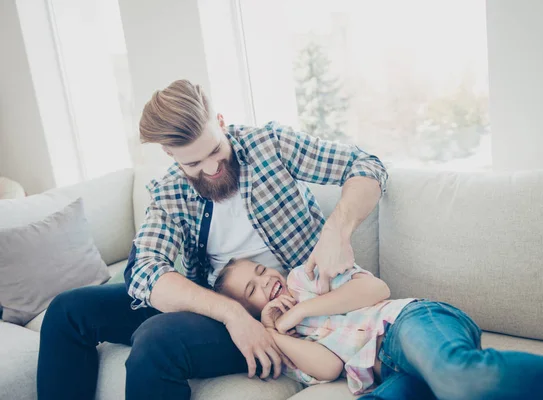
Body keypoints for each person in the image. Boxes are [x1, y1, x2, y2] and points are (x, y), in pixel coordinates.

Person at [36, 79, 389, 400]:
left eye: (215, 152)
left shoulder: (271, 146)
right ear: (170, 155)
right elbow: (144, 271)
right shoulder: (170, 192)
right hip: (217, 303)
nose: (210, 170)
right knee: (68, 311)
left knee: (157, 340)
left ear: (219, 122)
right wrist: (233, 314)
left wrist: (336, 231)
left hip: (285, 306)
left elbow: (366, 166)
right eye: (193, 163)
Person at [214, 258, 543, 400]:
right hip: (393, 372)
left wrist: (301, 311)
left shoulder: (306, 276)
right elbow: (329, 368)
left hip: (410, 323)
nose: (265, 282)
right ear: (249, 310)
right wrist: (279, 332)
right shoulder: (284, 345)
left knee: (458, 377)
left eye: (262, 271)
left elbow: (375, 289)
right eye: (253, 289)